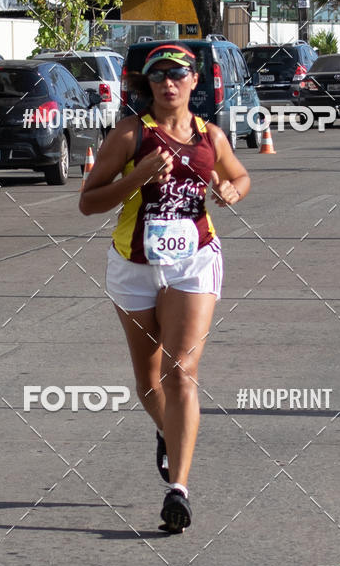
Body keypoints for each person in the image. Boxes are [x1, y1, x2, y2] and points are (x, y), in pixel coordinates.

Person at [79, 43, 250, 533]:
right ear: (147, 85)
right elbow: (88, 203)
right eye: (159, 78)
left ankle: (178, 489)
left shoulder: (209, 136)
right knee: (149, 383)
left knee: (181, 373)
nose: (169, 84)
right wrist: (135, 178)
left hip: (193, 261)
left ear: (195, 81)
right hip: (133, 264)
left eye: (178, 75)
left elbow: (238, 175)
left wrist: (233, 190)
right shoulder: (130, 136)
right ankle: (169, 432)